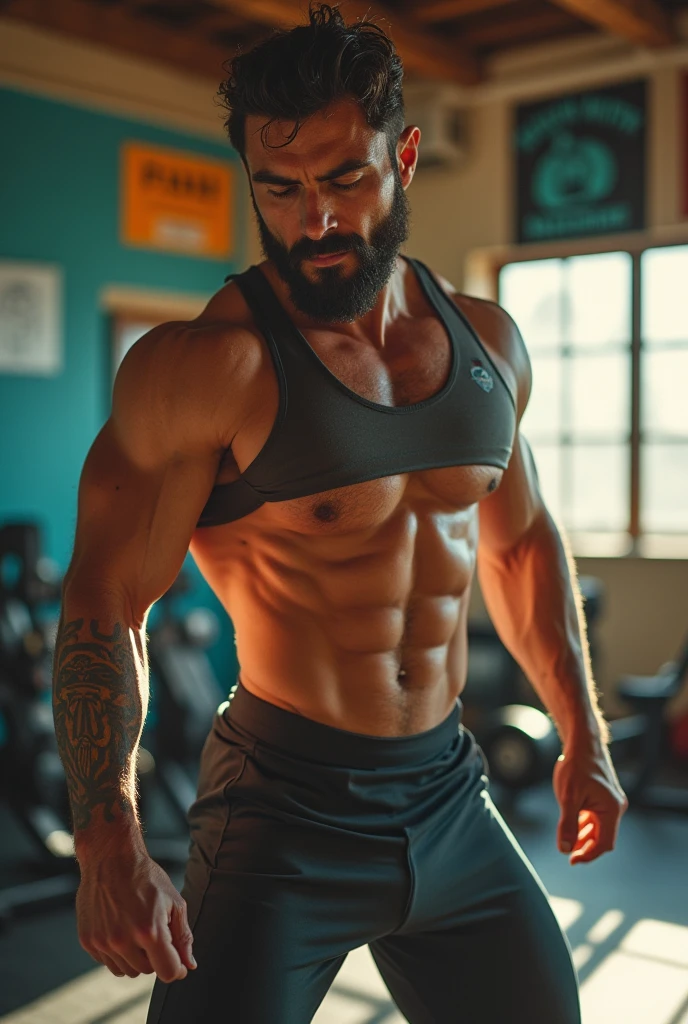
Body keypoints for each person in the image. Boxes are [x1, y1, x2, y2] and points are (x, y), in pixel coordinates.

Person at [52, 4, 628, 1021]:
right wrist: (109, 840)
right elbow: (105, 602)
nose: (313, 219)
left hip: (450, 792)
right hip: (282, 810)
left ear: (404, 154)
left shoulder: (488, 345)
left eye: (344, 179)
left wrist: (583, 730)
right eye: (279, 188)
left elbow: (522, 541)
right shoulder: (206, 368)